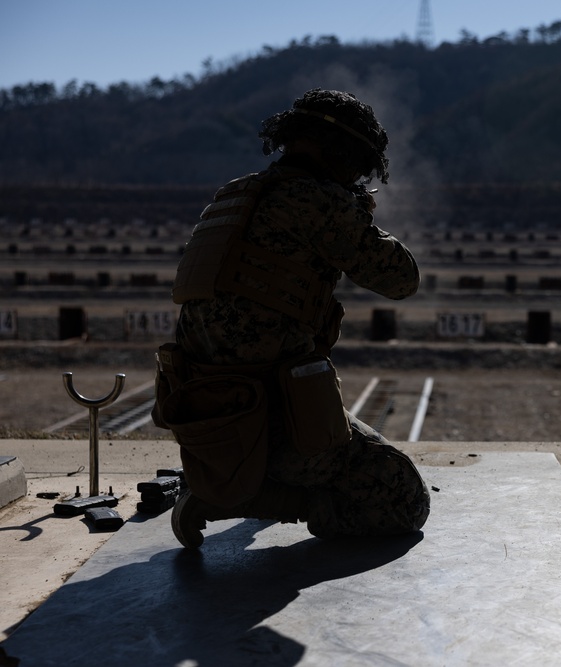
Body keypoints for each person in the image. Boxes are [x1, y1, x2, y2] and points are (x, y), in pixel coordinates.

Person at [152, 89, 430, 548]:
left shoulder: (234, 196)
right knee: (403, 498)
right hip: (274, 423)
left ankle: (229, 485)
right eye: (359, 164)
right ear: (342, 153)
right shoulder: (318, 200)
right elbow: (402, 278)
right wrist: (355, 211)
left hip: (206, 420)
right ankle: (241, 501)